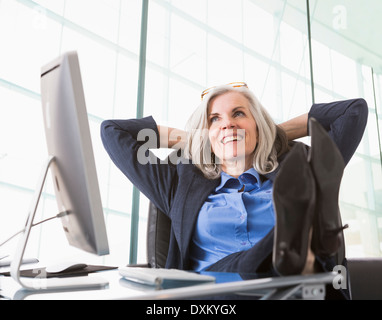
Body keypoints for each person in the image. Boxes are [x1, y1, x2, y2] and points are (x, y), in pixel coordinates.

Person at [101, 83, 368, 295]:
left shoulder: (299, 175)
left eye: (238, 114)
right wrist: (193, 138)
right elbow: (113, 132)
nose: (227, 123)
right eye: (214, 119)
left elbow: (352, 112)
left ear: (258, 126)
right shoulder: (180, 183)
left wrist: (274, 134)